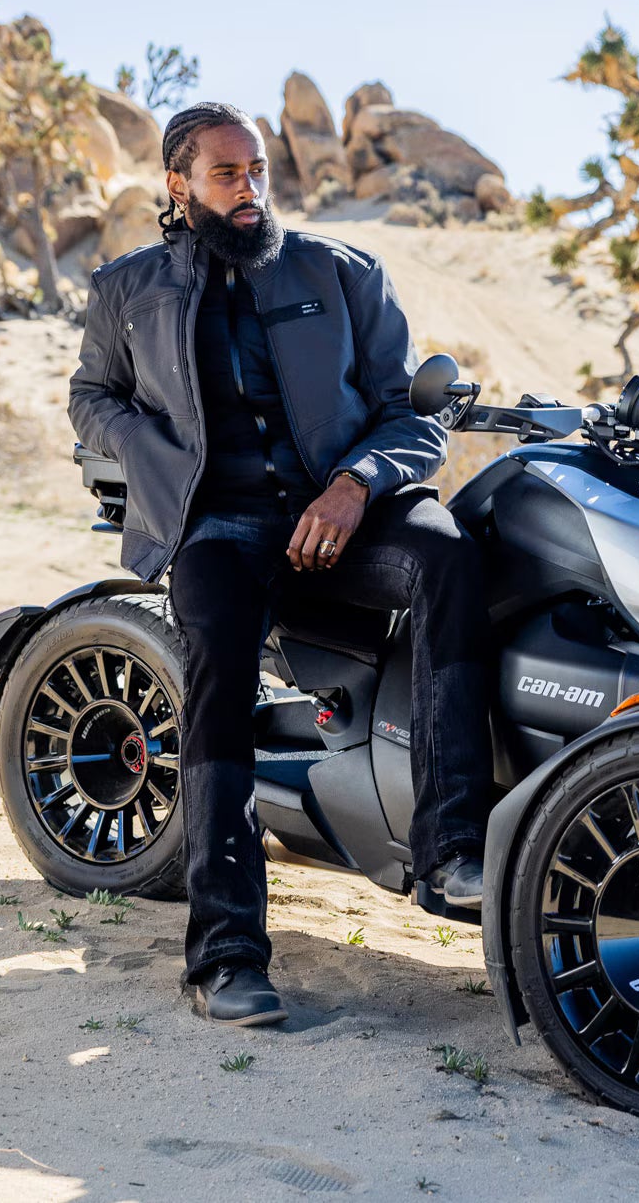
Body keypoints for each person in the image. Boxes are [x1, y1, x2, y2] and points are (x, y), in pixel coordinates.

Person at [67, 102, 493, 1027]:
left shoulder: (339, 272)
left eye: (258, 171)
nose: (250, 189)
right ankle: (225, 958)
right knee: (215, 671)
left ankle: (453, 848)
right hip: (217, 525)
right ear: (178, 185)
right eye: (227, 175)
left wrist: (356, 484)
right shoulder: (125, 288)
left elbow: (411, 410)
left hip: (347, 514)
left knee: (452, 563)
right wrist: (145, 448)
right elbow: (90, 393)